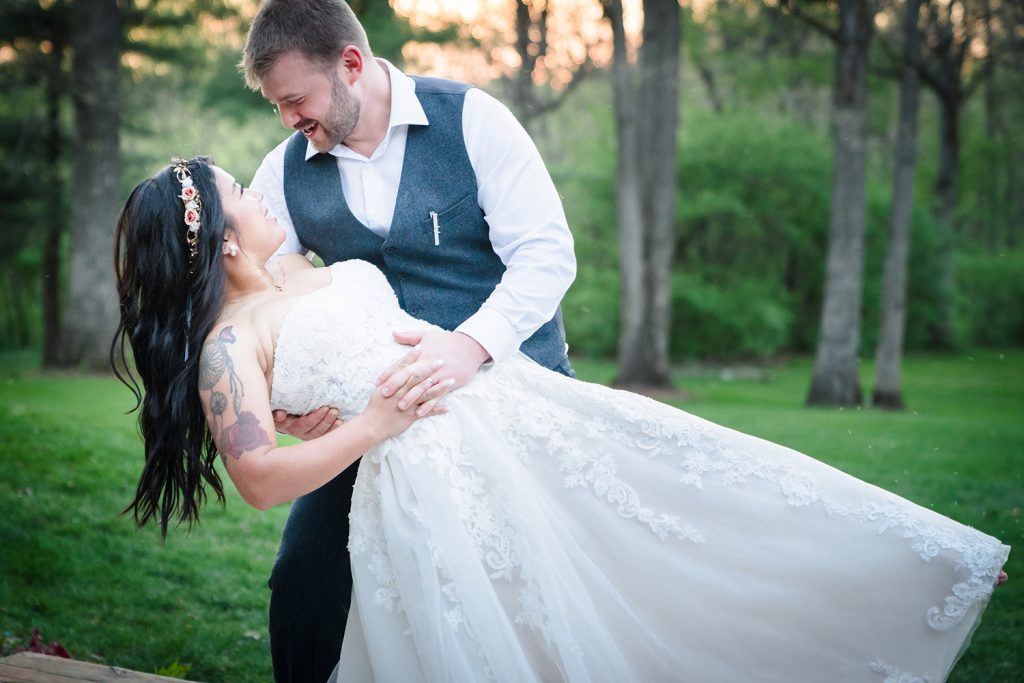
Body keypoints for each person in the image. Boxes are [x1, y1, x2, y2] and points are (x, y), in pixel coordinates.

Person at [113, 157, 1009, 683]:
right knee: (531, 624)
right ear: (222, 240)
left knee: (681, 488)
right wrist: (369, 423)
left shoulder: (302, 269)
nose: (264, 191)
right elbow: (260, 479)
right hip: (432, 476)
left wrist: (346, 403)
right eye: (243, 192)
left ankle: (904, 564)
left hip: (515, 412)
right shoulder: (231, 347)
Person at [238, 1, 577, 677]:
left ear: (352, 65)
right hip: (373, 424)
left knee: (519, 592)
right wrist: (289, 395)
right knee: (303, 581)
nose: (289, 120)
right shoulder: (283, 170)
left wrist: (468, 346)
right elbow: (256, 285)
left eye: (296, 100)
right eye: (277, 106)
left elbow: (548, 256)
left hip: (506, 401)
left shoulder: (473, 120)